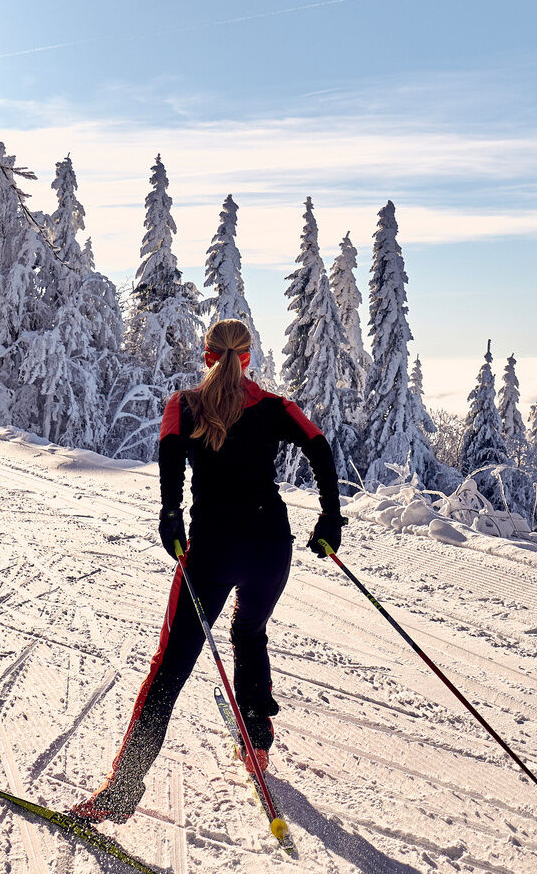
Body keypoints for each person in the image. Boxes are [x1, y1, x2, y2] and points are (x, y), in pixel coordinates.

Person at [69, 319, 345, 825]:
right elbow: (319, 446)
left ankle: (122, 790)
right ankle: (256, 742)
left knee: (170, 669)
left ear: (207, 355)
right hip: (269, 550)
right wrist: (329, 516)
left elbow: (170, 463)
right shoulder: (276, 406)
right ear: (248, 357)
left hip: (212, 554)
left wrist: (170, 516)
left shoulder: (185, 404)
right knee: (250, 633)